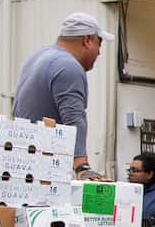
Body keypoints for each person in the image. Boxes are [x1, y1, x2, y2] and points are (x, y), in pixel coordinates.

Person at [13, 12, 109, 181]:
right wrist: (82, 166)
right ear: (87, 40)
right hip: (44, 168)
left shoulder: (37, 56)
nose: (99, 53)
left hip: (22, 159)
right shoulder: (68, 66)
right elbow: (74, 117)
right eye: (98, 44)